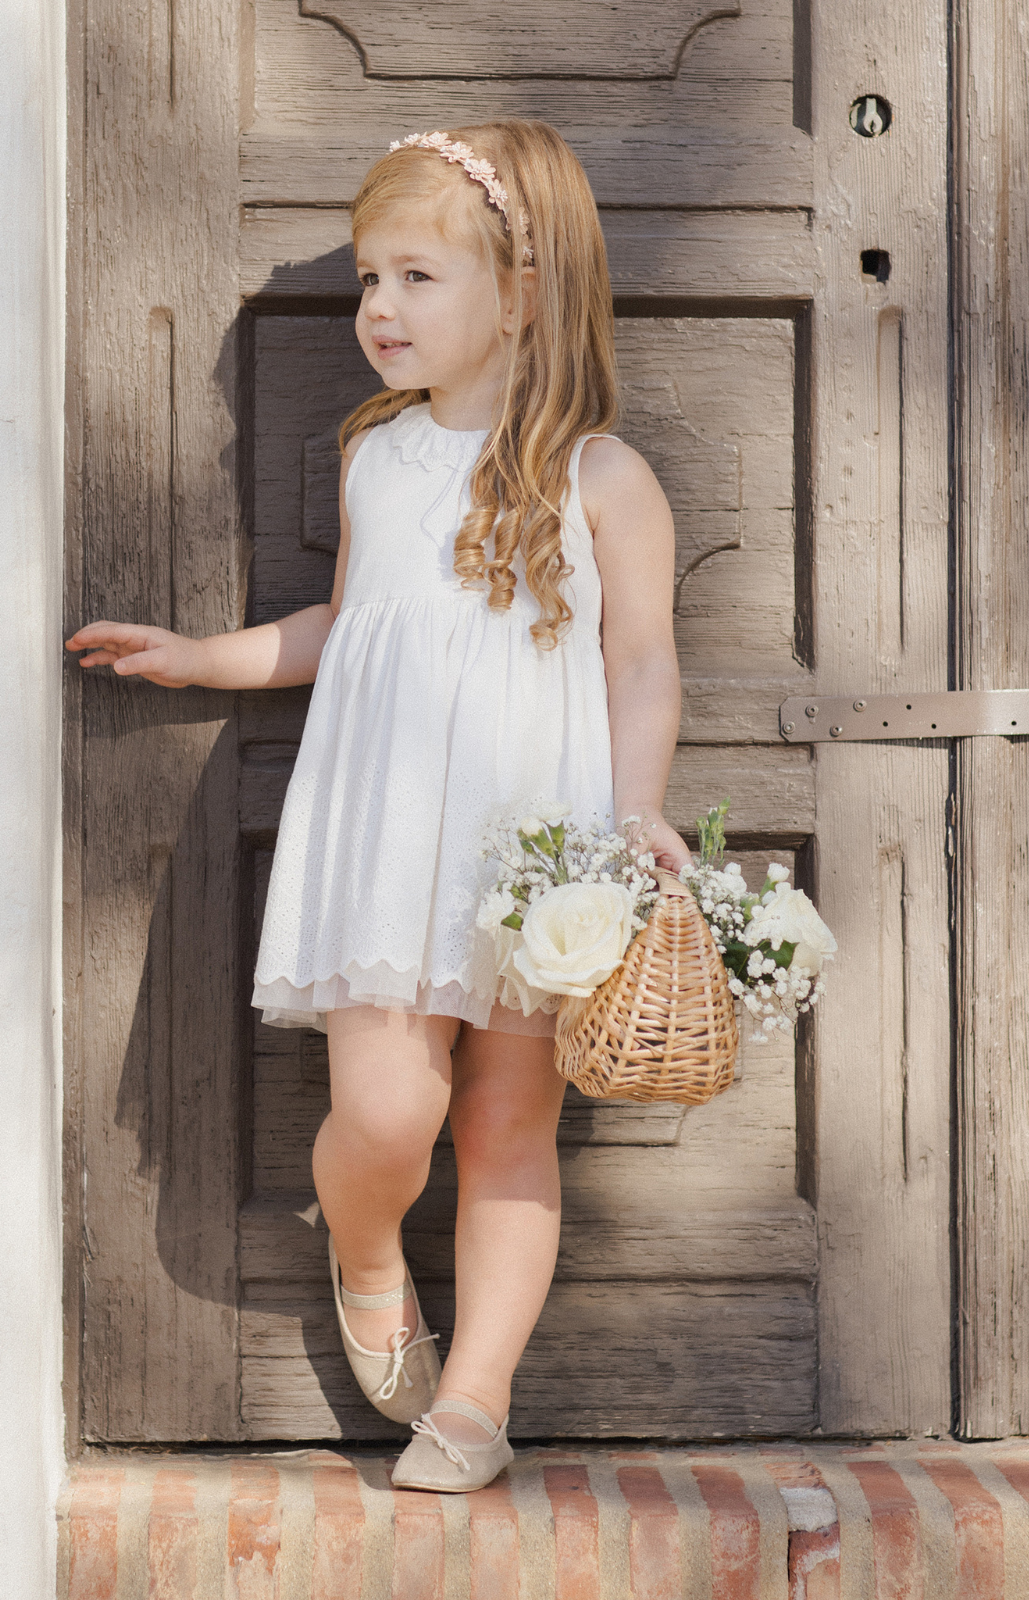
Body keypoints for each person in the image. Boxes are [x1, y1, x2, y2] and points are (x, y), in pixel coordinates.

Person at [67, 120, 690, 1493]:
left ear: (521, 291)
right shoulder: (378, 459)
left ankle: (473, 1399)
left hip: (540, 853)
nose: (375, 311)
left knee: (507, 1128)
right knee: (390, 1113)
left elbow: (640, 660)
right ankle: (361, 1243)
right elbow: (344, 628)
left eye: (414, 277)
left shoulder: (602, 479)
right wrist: (202, 656)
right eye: (365, 280)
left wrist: (633, 814)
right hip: (391, 839)